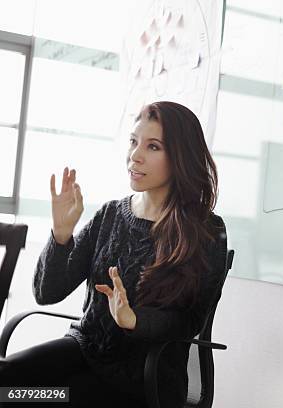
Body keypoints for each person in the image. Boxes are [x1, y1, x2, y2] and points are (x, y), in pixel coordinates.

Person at [0, 101, 227, 408]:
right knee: (7, 384)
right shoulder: (110, 215)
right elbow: (46, 293)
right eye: (133, 142)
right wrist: (61, 234)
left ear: (180, 157)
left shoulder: (205, 231)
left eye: (153, 146)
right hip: (84, 350)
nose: (135, 155)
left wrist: (134, 320)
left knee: (46, 400)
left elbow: (189, 321)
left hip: (145, 378)